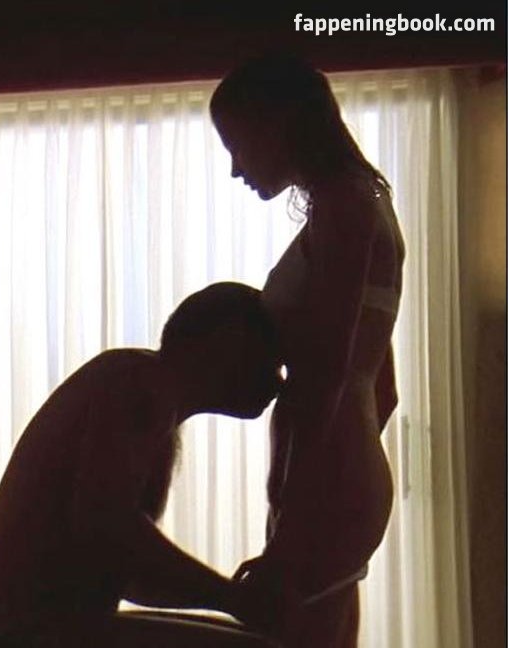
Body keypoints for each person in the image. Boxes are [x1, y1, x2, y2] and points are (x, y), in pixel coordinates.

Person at [0, 282, 284, 648]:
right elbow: (104, 524)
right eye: (272, 362)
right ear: (228, 342)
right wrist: (230, 597)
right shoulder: (138, 382)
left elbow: (122, 568)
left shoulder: (145, 393)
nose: (278, 383)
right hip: (30, 636)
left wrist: (228, 597)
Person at [209, 52, 405, 646]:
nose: (236, 168)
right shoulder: (354, 202)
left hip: (328, 479)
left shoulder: (345, 206)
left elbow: (326, 377)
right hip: (338, 470)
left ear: (277, 125)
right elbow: (383, 386)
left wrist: (299, 514)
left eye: (237, 145)